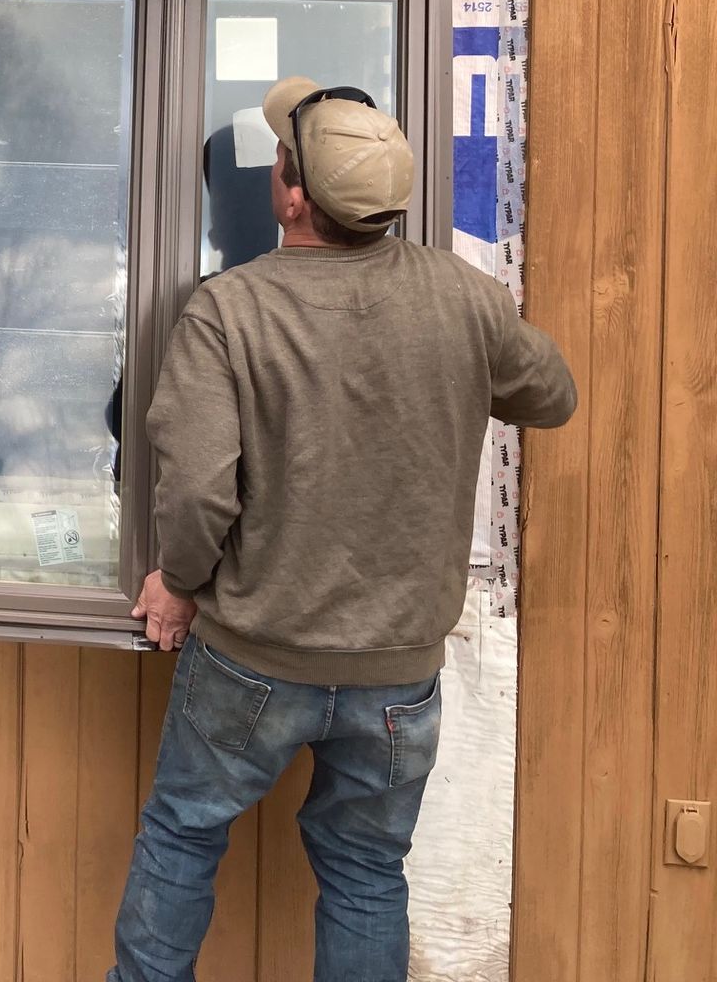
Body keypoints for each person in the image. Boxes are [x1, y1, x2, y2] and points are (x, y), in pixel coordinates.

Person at [110, 77, 576, 982]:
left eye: (278, 162)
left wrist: (176, 581)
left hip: (253, 658)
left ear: (291, 197)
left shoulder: (230, 309)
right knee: (365, 871)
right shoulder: (463, 297)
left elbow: (198, 494)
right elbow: (552, 396)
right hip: (398, 673)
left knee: (182, 836)